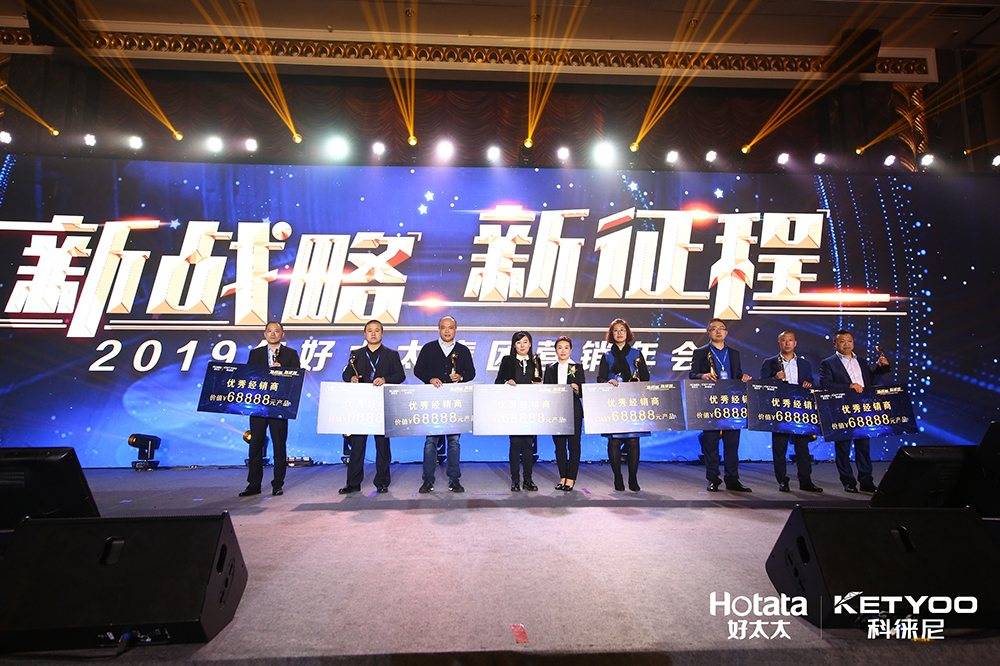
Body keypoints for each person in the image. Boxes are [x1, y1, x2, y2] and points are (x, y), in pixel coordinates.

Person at [819, 330, 892, 494]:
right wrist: (849, 386)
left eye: (849, 341)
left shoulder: (862, 361)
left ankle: (866, 481)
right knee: (843, 448)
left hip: (862, 410)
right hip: (842, 410)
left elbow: (870, 382)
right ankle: (848, 482)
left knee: (863, 448)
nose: (846, 344)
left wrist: (880, 369)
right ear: (835, 344)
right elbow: (826, 384)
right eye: (842, 341)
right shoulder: (828, 363)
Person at [340, 320, 406, 495]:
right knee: (357, 445)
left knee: (382, 446)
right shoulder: (356, 354)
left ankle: (382, 482)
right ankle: (353, 483)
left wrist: (385, 379)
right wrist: (351, 378)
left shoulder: (391, 354)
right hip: (361, 406)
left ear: (382, 333)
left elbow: (400, 376)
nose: (373, 333)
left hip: (381, 404)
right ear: (365, 334)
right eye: (370, 330)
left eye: (377, 330)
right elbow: (346, 374)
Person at [413, 316, 476, 493]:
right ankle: (428, 480)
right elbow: (418, 370)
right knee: (430, 441)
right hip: (433, 401)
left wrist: (461, 377)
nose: (447, 331)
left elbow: (471, 372)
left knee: (454, 442)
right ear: (439, 329)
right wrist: (430, 378)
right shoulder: (429, 348)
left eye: (450, 327)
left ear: (456, 329)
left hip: (454, 402)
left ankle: (454, 479)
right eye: (443, 327)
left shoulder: (463, 350)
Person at [689, 318, 753, 493]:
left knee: (732, 443)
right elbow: (692, 374)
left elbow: (737, 375)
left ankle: (733, 479)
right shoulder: (700, 353)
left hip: (732, 404)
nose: (718, 331)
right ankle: (713, 479)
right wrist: (703, 376)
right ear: (708, 333)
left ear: (726, 332)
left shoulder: (734, 353)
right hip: (710, 403)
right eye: (714, 328)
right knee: (711, 443)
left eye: (721, 328)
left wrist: (743, 378)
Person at [241, 321, 301, 497]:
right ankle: (253, 484)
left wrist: (284, 371)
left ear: (282, 334)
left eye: (276, 331)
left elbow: (296, 378)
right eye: (269, 331)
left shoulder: (290, 354)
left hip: (279, 406)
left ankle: (277, 484)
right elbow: (248, 377)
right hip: (259, 405)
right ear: (265, 334)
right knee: (255, 446)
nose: (273, 334)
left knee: (279, 445)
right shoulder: (255, 354)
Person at [760, 331, 823, 493]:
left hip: (800, 411)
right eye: (783, 340)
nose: (787, 343)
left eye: (790, 340)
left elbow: (811, 384)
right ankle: (782, 480)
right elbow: (761, 386)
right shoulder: (770, 363)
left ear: (795, 343)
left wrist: (808, 385)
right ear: (778, 343)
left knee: (803, 448)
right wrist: (774, 379)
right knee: (779, 448)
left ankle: (806, 481)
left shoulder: (804, 363)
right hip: (779, 411)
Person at [597, 318, 650, 492]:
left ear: (627, 333)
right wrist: (608, 381)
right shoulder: (607, 355)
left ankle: (633, 478)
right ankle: (617, 477)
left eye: (622, 330)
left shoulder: (636, 354)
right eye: (616, 330)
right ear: (611, 334)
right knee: (614, 441)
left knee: (633, 440)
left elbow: (646, 377)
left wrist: (639, 381)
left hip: (633, 402)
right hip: (614, 403)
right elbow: (600, 378)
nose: (619, 333)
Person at [495, 331, 542, 491]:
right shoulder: (507, 360)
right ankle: (515, 480)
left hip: (530, 407)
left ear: (530, 344)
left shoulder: (535, 360)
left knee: (528, 444)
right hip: (513, 407)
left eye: (525, 342)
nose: (522, 345)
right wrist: (507, 383)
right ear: (514, 345)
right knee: (515, 444)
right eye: (518, 342)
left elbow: (539, 381)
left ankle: (528, 480)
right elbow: (498, 381)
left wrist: (539, 384)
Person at [543, 336, 586, 491]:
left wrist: (577, 389)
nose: (563, 350)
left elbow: (583, 392)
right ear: (555, 350)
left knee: (574, 446)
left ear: (571, 350)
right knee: (559, 446)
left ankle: (571, 478)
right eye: (560, 347)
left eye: (566, 347)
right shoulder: (550, 368)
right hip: (556, 411)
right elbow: (546, 390)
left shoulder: (577, 367)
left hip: (574, 411)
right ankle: (563, 477)